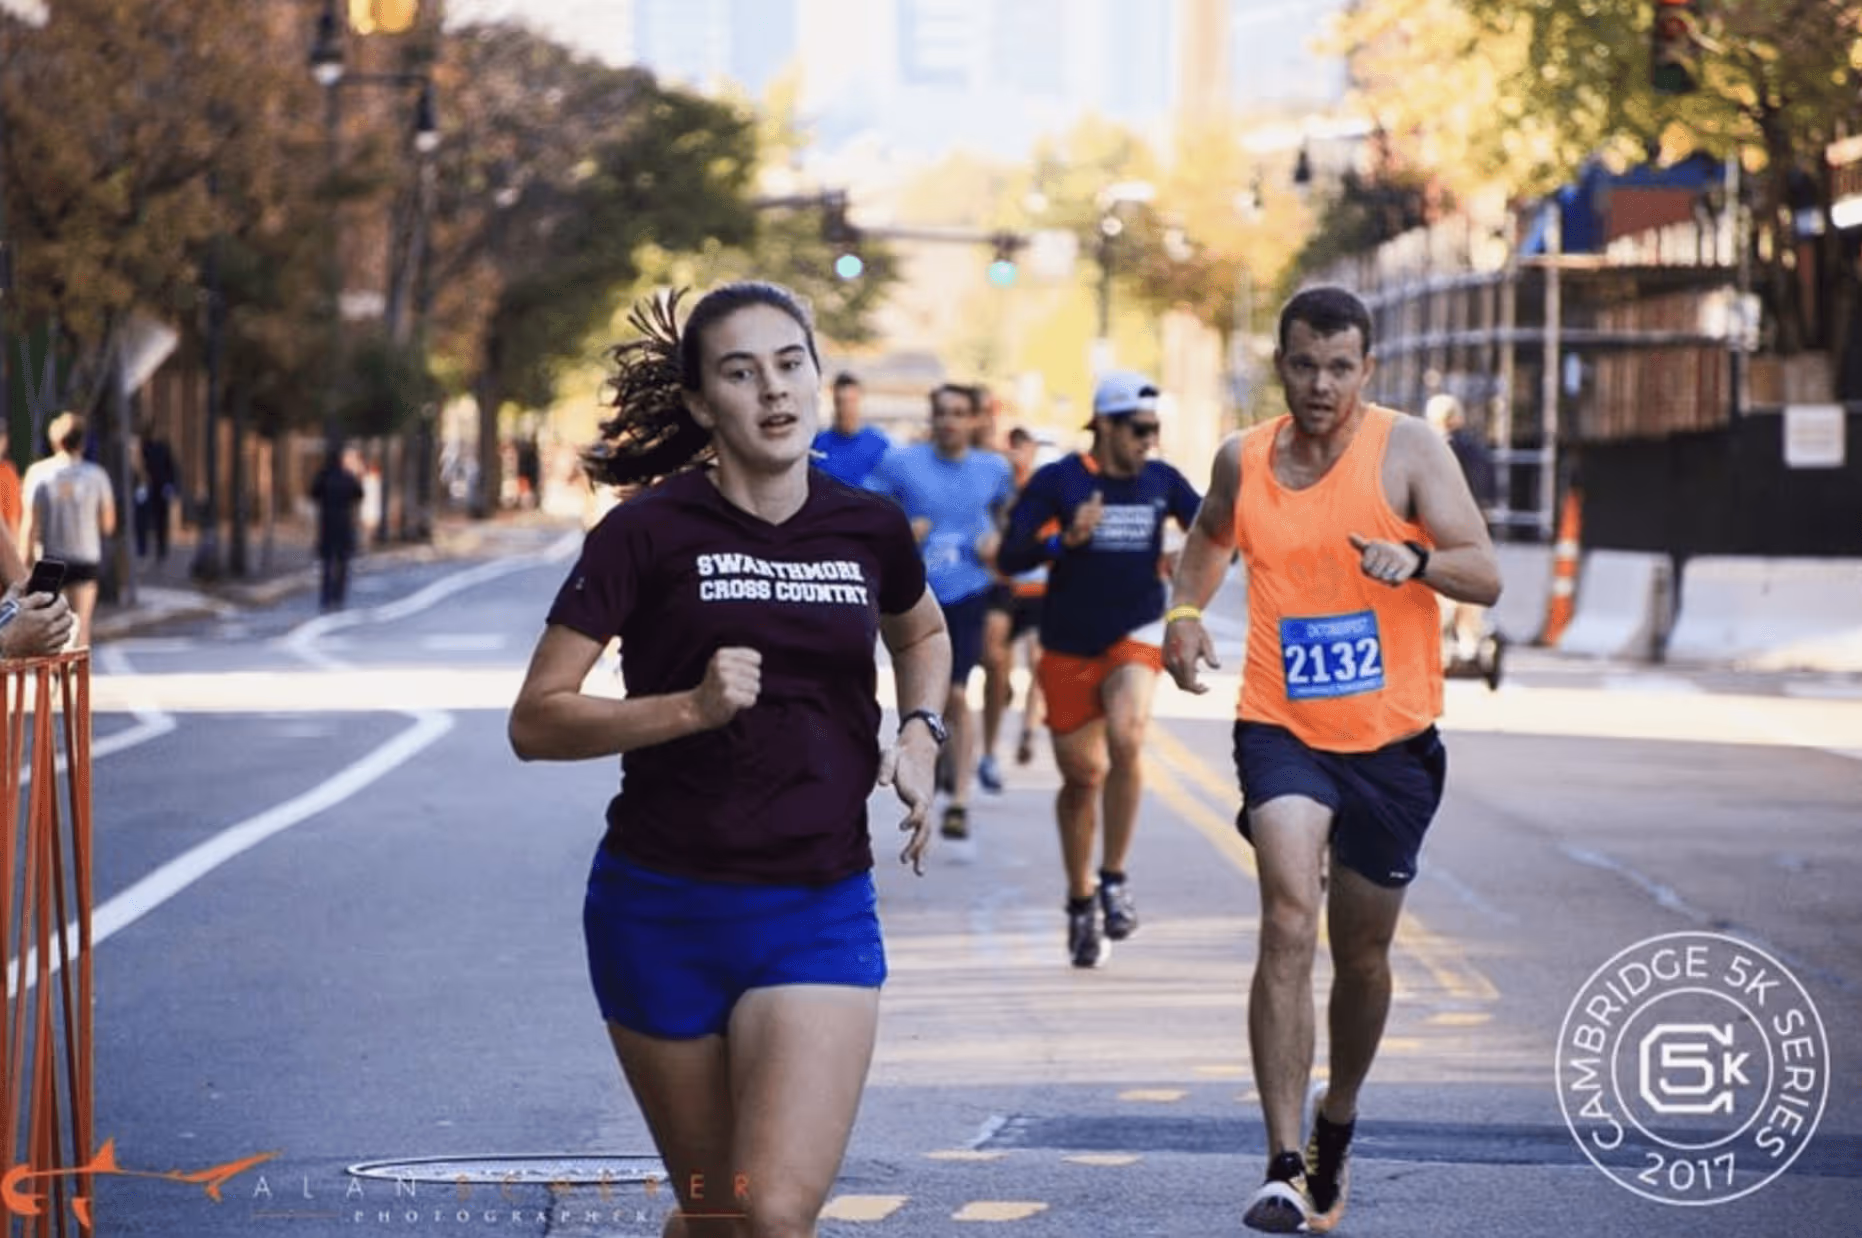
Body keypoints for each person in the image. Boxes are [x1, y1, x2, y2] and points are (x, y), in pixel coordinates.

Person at [508, 281, 951, 1238]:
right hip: (659, 911)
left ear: (818, 379)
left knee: (776, 1213)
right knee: (719, 1215)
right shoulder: (645, 533)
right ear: (703, 404)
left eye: (791, 365)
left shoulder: (867, 525)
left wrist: (921, 733)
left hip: (816, 907)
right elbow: (535, 721)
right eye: (742, 374)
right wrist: (690, 709)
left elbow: (921, 631)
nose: (774, 390)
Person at [1162, 286, 1501, 1233]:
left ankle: (1335, 1120)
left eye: (1340, 368)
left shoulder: (1409, 450)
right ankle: (1281, 1164)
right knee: (1286, 915)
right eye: (1305, 365)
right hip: (1281, 725)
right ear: (1281, 364)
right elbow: (1207, 540)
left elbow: (1484, 571)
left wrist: (1417, 561)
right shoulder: (1242, 457)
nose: (1322, 385)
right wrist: (1183, 615)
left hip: (1392, 745)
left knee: (1363, 955)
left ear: (1367, 369)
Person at [998, 373, 1200, 968]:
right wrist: (1064, 541)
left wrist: (1187, 559)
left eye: (1155, 430)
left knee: (1128, 734)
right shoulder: (1058, 481)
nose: (1149, 441)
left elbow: (1219, 532)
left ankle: (1113, 878)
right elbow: (1010, 553)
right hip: (1068, 643)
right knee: (1082, 778)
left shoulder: (1163, 481)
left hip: (1136, 629)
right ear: (1105, 425)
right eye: (1139, 429)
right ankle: (1080, 898)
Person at [865, 383, 1015, 843]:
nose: (949, 421)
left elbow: (1011, 517)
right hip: (917, 594)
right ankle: (927, 770)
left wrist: (998, 541)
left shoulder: (993, 468)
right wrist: (900, 530)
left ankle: (960, 800)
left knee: (955, 694)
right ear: (931, 417)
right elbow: (868, 513)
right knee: (925, 696)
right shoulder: (901, 463)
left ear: (973, 420)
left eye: (958, 413)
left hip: (968, 591)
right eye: (942, 412)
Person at [978, 427, 1049, 787]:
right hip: (1006, 586)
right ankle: (990, 747)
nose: (1020, 454)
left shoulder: (1046, 488)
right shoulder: (998, 486)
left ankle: (1027, 733)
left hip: (1039, 590)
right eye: (1015, 448)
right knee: (995, 661)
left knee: (1038, 660)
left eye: (1027, 448)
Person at [20, 412, 115, 649]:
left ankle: (55, 670)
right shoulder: (97, 476)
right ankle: (80, 671)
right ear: (82, 442)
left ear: (55, 441)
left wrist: (24, 562)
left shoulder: (38, 474)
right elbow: (108, 524)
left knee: (51, 629)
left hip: (50, 559)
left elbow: (29, 524)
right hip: (85, 557)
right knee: (82, 625)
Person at [1425, 393, 1497, 663]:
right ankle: (1469, 640)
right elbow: (1486, 492)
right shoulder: (1476, 450)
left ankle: (1442, 640)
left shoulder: (1427, 449)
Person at [809, 372, 890, 488]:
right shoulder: (817, 445)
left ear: (860, 401)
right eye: (841, 402)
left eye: (851, 401)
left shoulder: (879, 444)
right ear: (834, 402)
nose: (846, 409)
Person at [310, 445, 365, 611]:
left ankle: (326, 597)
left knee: (327, 563)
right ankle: (338, 596)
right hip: (344, 523)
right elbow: (359, 494)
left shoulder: (323, 476)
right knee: (342, 562)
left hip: (326, 523)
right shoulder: (347, 477)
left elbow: (313, 494)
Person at [134, 423, 180, 562]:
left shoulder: (162, 447)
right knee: (142, 519)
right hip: (146, 487)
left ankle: (160, 549)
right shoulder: (143, 447)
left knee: (160, 520)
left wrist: (170, 485)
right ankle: (143, 549)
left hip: (159, 488)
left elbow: (170, 467)